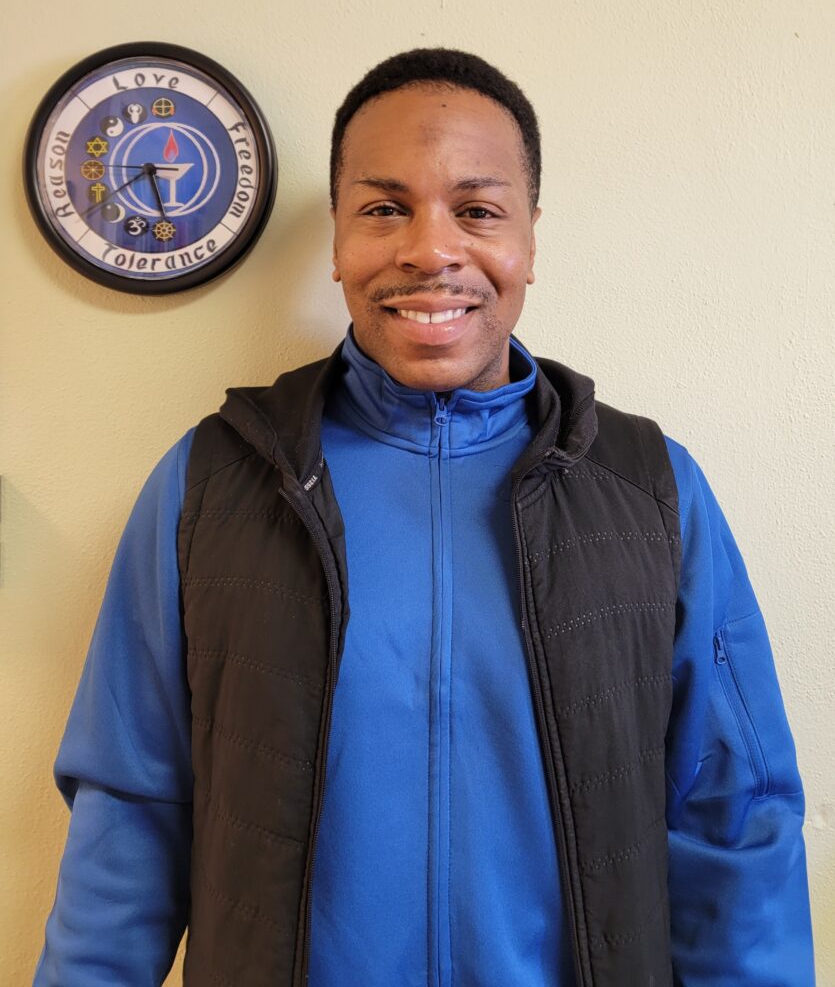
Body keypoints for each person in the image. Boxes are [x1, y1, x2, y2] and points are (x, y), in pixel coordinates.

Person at [34, 48, 815, 987]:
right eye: (384, 208)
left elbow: (732, 818)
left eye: (477, 210)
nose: (430, 249)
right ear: (336, 239)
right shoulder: (211, 485)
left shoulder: (651, 490)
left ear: (529, 237)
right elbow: (131, 813)